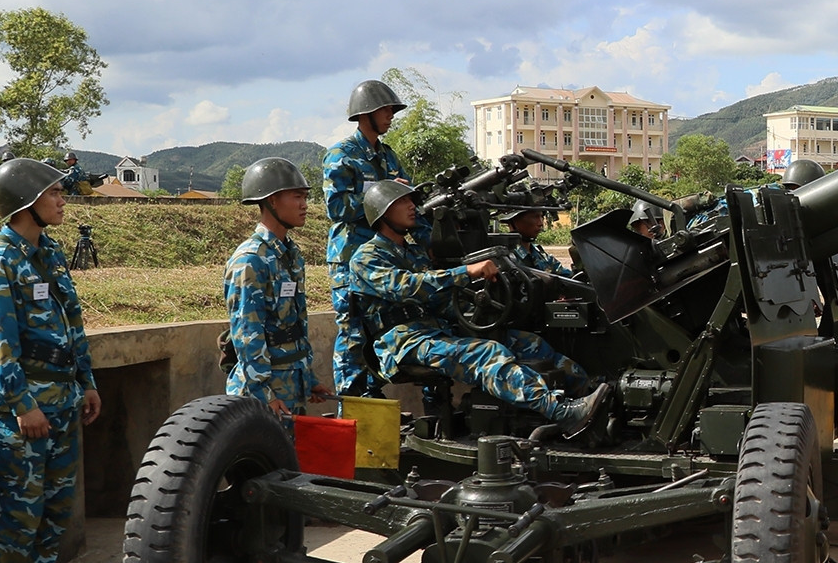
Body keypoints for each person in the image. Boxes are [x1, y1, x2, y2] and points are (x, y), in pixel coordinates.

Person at [349, 180, 608, 433]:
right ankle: (562, 412)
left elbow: (445, 299)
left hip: (440, 331)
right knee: (486, 352)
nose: (411, 206)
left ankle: (589, 399)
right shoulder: (367, 257)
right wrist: (466, 272)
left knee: (529, 343)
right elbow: (405, 286)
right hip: (403, 343)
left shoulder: (415, 253)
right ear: (382, 212)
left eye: (411, 200)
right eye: (402, 201)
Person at [0, 159, 102, 563]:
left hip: (63, 397)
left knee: (56, 502)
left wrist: (87, 382)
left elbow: (72, 323)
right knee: (19, 508)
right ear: (25, 202)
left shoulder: (49, 252)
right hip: (23, 408)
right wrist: (23, 405)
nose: (63, 200)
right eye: (53, 193)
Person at [322, 79, 428, 397]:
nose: (391, 116)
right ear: (365, 113)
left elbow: (408, 205)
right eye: (385, 110)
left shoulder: (388, 156)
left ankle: (373, 403)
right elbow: (336, 207)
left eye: (392, 110)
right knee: (354, 335)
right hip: (351, 259)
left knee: (384, 330)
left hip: (387, 258)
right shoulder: (342, 155)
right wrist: (382, 192)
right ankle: (351, 406)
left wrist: (428, 244)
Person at [225, 157, 330, 417]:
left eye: (305, 197)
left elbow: (294, 325)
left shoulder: (290, 255)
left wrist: (308, 378)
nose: (304, 205)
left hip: (292, 384)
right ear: (272, 201)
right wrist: (264, 395)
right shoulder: (251, 260)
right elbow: (247, 333)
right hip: (264, 396)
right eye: (297, 197)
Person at [503, 184, 572, 274]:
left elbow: (566, 275)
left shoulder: (540, 254)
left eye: (541, 217)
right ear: (514, 220)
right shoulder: (505, 257)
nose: (540, 223)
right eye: (534, 217)